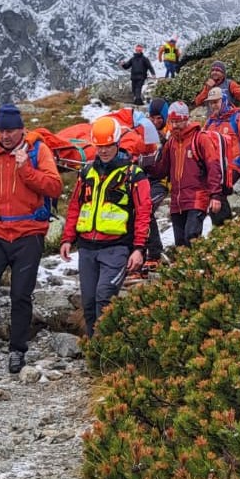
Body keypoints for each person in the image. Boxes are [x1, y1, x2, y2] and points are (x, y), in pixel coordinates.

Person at [0, 104, 63, 373]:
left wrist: (25, 169)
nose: (5, 136)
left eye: (10, 130)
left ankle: (17, 351)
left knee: (21, 295)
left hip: (28, 233)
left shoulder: (37, 151)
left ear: (21, 129)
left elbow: (54, 186)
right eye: (1, 130)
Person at [59, 117, 152, 337]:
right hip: (87, 248)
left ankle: (109, 351)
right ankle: (95, 352)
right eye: (99, 146)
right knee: (89, 303)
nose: (103, 151)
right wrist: (67, 239)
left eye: (108, 146)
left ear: (117, 143)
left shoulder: (133, 175)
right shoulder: (86, 174)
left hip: (117, 248)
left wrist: (139, 248)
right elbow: (75, 207)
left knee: (105, 297)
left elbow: (143, 213)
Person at [149, 101, 223, 247]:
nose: (175, 125)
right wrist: (145, 165)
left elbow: (214, 166)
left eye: (178, 121)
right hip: (177, 201)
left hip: (197, 198)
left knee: (192, 237)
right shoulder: (171, 143)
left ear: (186, 119)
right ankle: (187, 268)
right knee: (180, 243)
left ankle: (198, 268)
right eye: (172, 122)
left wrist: (215, 195)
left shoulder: (200, 139)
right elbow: (162, 169)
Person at [202, 87, 240, 226]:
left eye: (216, 101)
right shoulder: (210, 122)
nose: (213, 105)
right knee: (212, 195)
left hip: (233, 166)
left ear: (224, 100)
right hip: (214, 168)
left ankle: (224, 228)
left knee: (218, 192)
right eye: (211, 102)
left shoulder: (238, 118)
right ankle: (226, 228)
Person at [144, 98, 170, 272]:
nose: (155, 122)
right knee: (139, 210)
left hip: (162, 181)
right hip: (145, 179)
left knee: (147, 209)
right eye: (152, 118)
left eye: (159, 118)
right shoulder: (145, 133)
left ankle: (154, 253)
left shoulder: (171, 133)